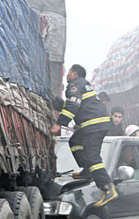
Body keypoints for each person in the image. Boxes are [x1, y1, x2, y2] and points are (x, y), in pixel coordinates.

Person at [50, 64, 118, 207]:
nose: (66, 75)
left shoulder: (74, 85)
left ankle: (107, 188)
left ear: (74, 74)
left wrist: (59, 123)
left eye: (68, 72)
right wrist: (54, 100)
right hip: (95, 124)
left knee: (93, 157)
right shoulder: (83, 86)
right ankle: (87, 170)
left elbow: (72, 107)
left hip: (94, 125)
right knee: (75, 141)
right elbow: (72, 105)